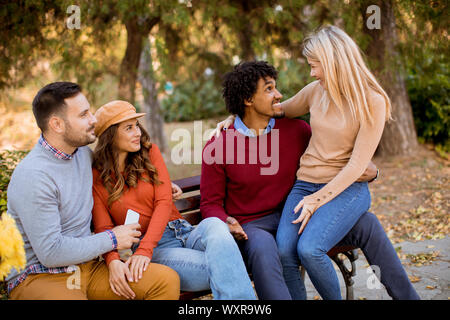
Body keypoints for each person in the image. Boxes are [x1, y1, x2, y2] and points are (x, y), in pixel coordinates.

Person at [205, 60, 419, 300]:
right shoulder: (220, 145)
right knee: (267, 247)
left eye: (275, 87)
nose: (279, 95)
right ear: (248, 99)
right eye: (268, 89)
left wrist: (371, 171)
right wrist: (225, 221)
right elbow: (210, 204)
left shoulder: (297, 131)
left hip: (299, 214)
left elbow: (335, 162)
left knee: (367, 224)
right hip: (253, 226)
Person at [5, 82, 180, 300]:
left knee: (165, 281)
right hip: (39, 276)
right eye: (83, 115)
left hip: (88, 267)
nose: (93, 120)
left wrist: (159, 186)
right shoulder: (34, 176)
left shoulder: (82, 156)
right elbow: (51, 253)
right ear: (57, 124)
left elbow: (115, 180)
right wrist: (112, 240)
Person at [91, 100, 256, 300]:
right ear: (110, 135)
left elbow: (163, 202)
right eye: (128, 128)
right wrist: (123, 257)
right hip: (157, 248)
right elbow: (103, 228)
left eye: (136, 126)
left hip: (187, 231)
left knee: (214, 224)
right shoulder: (97, 177)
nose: (137, 133)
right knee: (228, 265)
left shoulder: (149, 152)